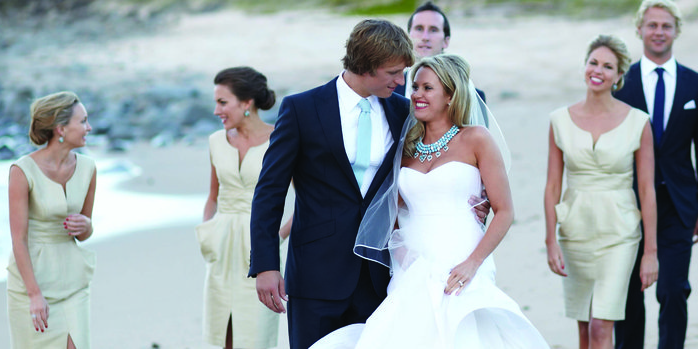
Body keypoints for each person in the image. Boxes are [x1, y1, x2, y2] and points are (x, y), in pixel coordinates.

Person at [311, 53, 548, 349]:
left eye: (428, 88)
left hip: (462, 256)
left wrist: (472, 263)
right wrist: (404, 257)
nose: (417, 95)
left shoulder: (476, 139)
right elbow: (392, 211)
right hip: (412, 263)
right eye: (415, 87)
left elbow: (504, 211)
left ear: (450, 95)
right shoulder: (404, 147)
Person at [247, 19, 414, 349]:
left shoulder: (402, 111)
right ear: (366, 66)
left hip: (379, 273)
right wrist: (266, 264)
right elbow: (269, 191)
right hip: (315, 274)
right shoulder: (302, 108)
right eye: (393, 72)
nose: (401, 80)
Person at [612, 1, 698, 348]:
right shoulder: (620, 84)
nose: (659, 32)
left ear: (677, 31)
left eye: (666, 26)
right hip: (627, 204)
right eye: (652, 25)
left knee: (674, 291)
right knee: (629, 295)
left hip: (679, 206)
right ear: (639, 29)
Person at [544, 35, 659, 349]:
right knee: (583, 328)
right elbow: (553, 185)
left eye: (608, 66)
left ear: (619, 76)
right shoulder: (559, 120)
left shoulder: (638, 122)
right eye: (593, 62)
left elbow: (647, 190)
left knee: (600, 326)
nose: (598, 70)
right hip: (575, 231)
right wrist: (550, 240)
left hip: (619, 232)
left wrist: (651, 252)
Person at [197, 67, 292, 349]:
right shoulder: (215, 141)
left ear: (247, 103)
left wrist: (276, 237)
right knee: (220, 334)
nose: (216, 111)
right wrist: (208, 232)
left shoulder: (280, 139)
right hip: (221, 249)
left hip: (260, 250)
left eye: (223, 103)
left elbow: (305, 201)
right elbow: (213, 195)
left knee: (255, 335)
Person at [6, 91, 97, 349]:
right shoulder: (22, 171)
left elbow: (84, 231)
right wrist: (34, 294)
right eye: (83, 121)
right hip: (33, 282)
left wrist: (87, 226)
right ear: (61, 129)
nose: (89, 128)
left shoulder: (89, 168)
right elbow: (18, 239)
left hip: (73, 281)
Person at [394, 1, 486, 102]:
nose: (425, 37)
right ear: (408, 37)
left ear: (446, 41)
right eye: (419, 29)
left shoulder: (472, 95)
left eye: (433, 30)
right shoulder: (388, 89)